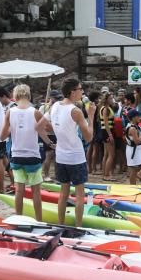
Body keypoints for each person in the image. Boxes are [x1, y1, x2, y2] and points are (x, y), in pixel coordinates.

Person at [37, 78, 97, 224]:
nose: (82, 91)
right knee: (79, 195)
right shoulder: (75, 111)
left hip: (61, 156)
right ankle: (78, 226)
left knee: (63, 194)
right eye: (80, 89)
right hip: (76, 157)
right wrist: (91, 115)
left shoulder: (55, 105)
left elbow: (39, 126)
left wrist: (51, 143)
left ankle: (61, 224)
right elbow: (89, 137)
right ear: (72, 92)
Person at [0, 83, 45, 218]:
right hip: (33, 156)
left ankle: (18, 218)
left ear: (16, 95)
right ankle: (39, 220)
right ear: (28, 94)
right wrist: (50, 143)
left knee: (19, 190)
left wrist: (11, 129)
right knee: (36, 192)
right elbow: (44, 130)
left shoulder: (10, 112)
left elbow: (2, 136)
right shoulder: (35, 112)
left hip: (17, 155)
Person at [123, 108, 141, 185]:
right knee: (133, 169)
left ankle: (134, 185)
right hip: (133, 150)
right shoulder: (132, 128)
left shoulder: (136, 126)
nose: (139, 118)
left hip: (136, 150)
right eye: (138, 116)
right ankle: (132, 186)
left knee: (135, 169)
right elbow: (137, 141)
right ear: (133, 118)